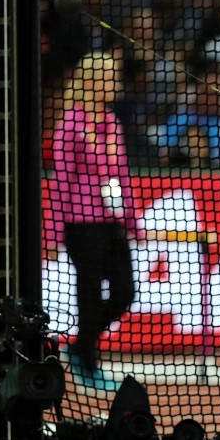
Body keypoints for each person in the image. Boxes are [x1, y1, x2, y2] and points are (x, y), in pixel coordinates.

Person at [45, 50, 136, 391]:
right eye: (109, 76)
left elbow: (122, 174)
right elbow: (60, 181)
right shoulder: (70, 123)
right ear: (92, 80)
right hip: (80, 224)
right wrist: (54, 233)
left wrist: (132, 219)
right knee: (88, 293)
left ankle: (80, 346)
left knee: (125, 291)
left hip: (112, 222)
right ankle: (88, 361)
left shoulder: (111, 122)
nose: (115, 82)